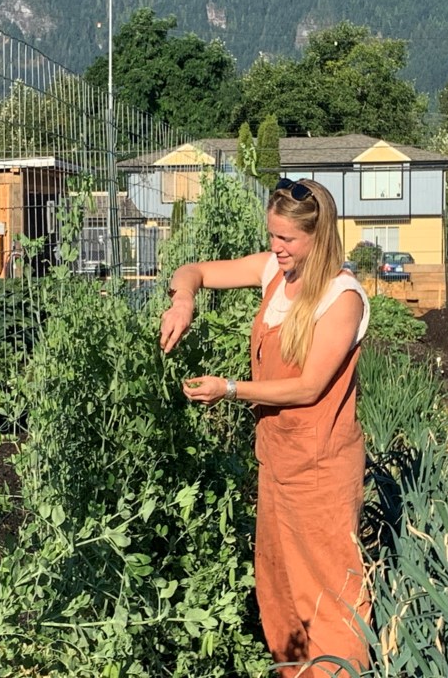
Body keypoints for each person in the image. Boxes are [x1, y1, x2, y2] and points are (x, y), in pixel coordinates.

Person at [160, 178, 371, 676]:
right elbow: (193, 272)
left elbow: (308, 387)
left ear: (318, 236)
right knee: (278, 588)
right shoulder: (276, 272)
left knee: (328, 595)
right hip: (277, 461)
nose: (276, 247)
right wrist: (183, 300)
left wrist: (230, 389)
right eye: (272, 235)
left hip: (320, 469)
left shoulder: (341, 297)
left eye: (287, 239)